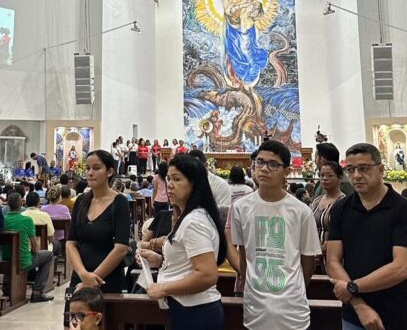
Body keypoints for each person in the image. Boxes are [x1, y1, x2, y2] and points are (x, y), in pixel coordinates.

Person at [327, 143, 407, 330]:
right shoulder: (340, 208)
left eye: (363, 168)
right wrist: (359, 305)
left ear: (381, 170)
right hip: (354, 315)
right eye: (350, 170)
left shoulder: (403, 210)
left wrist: (352, 287)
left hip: (397, 314)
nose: (356, 175)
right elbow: (332, 261)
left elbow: (401, 268)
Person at [231, 140, 320, 330]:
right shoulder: (241, 207)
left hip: (292, 311)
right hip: (255, 309)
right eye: (260, 162)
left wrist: (294, 290)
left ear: (286, 172)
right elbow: (244, 256)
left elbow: (308, 262)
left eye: (273, 164)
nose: (264, 169)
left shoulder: (301, 211)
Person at [137, 154, 226, 330]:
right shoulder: (189, 216)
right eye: (169, 179)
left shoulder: (194, 222)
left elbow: (207, 275)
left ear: (194, 184)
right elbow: (189, 264)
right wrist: (160, 261)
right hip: (188, 307)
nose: (169, 185)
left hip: (195, 311)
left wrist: (163, 288)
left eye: (177, 179)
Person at [66, 150, 130, 305]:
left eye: (96, 168)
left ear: (110, 172)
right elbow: (71, 243)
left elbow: (121, 248)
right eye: (88, 168)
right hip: (80, 276)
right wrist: (83, 274)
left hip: (107, 278)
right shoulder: (81, 201)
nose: (90, 173)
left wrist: (92, 279)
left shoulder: (120, 202)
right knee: (74, 319)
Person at [1, 193, 54, 302]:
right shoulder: (27, 220)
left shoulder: (3, 220)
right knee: (48, 255)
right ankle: (37, 291)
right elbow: (34, 246)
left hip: (5, 260)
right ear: (21, 203)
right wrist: (34, 251)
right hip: (23, 261)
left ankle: (7, 287)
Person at [310, 161, 346, 260]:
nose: (325, 178)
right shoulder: (316, 201)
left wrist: (324, 248)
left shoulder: (344, 202)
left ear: (339, 178)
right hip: (313, 254)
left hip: (334, 256)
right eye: (322, 175)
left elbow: (345, 233)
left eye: (330, 175)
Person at [42, 186, 71, 252]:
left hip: (48, 237)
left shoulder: (43, 208)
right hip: (62, 237)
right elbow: (70, 221)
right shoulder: (64, 208)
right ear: (59, 197)